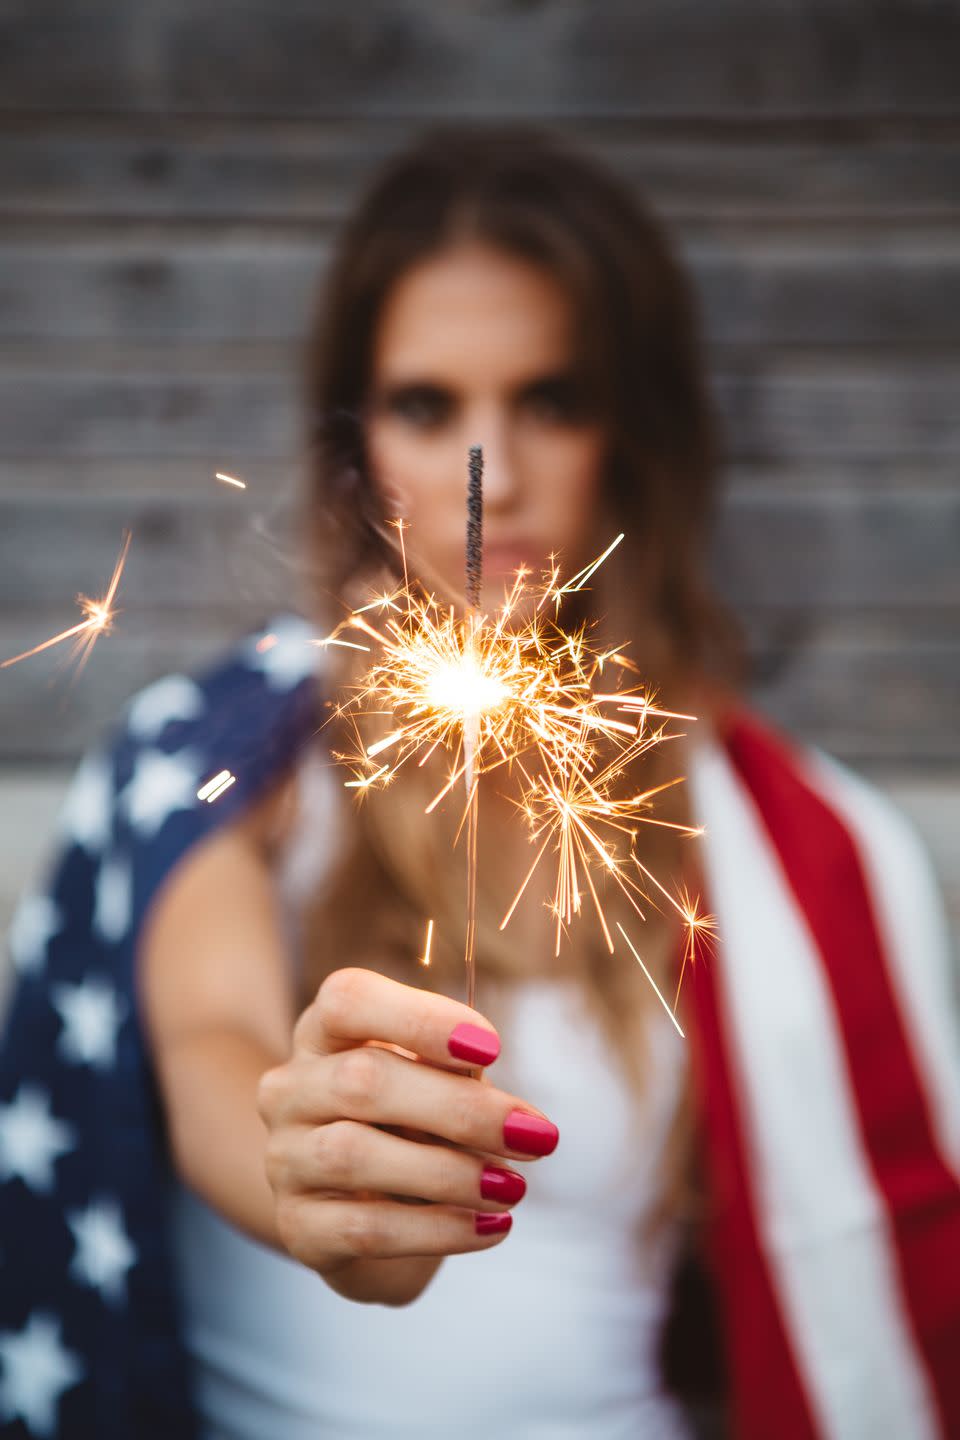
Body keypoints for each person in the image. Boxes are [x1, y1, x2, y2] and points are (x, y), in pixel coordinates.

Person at [1, 124, 958, 1440]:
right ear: (357, 443)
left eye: (552, 399)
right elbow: (208, 1041)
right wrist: (307, 1175)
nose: (488, 477)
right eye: (426, 405)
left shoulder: (766, 841)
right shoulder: (239, 757)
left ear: (632, 434)